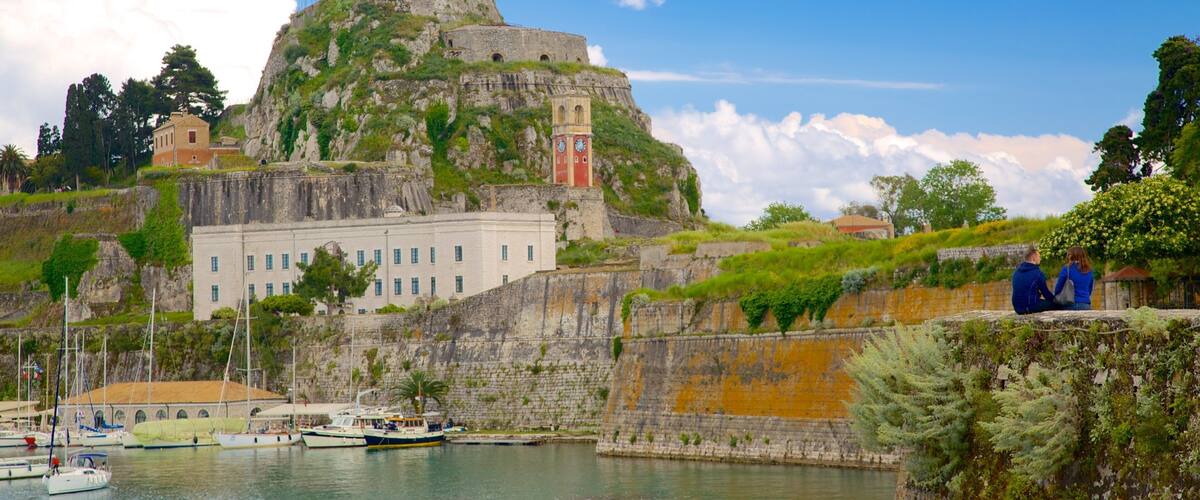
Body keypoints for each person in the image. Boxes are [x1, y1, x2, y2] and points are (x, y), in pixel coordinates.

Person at [1011, 246, 1059, 314]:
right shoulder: (1037, 273)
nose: (1040, 258)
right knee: (1056, 305)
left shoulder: (1016, 272)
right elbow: (1046, 294)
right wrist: (1056, 301)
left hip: (1017, 308)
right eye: (1039, 256)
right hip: (1031, 307)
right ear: (1034, 258)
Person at [1054, 246, 1095, 310]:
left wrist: (1056, 295)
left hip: (1070, 304)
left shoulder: (1067, 268)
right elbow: (1090, 289)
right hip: (1085, 305)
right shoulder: (1089, 270)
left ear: (1072, 256)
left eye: (1068, 254)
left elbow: (1058, 287)